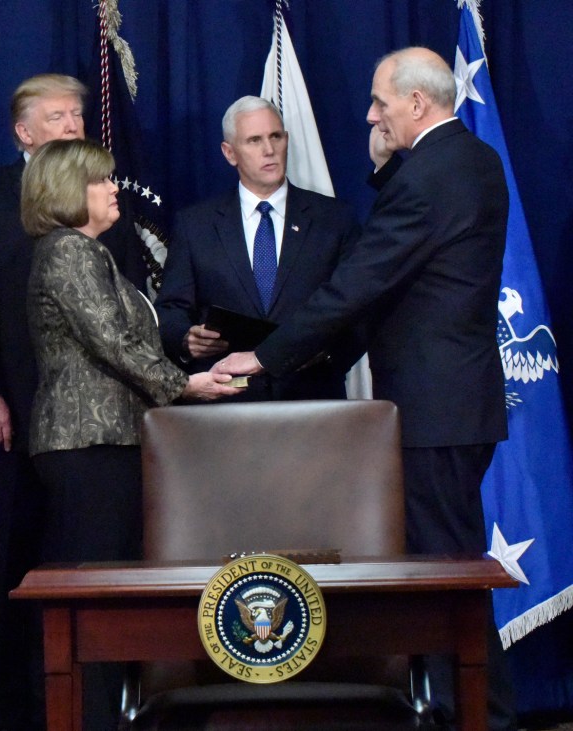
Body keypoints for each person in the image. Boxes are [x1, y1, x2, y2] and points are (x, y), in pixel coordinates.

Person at [215, 47, 515, 730]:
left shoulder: (433, 174)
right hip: (455, 403)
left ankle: (478, 715)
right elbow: (405, 271)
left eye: (382, 101)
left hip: (437, 409)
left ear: (417, 102)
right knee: (447, 573)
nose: (371, 113)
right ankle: (459, 708)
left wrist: (264, 357)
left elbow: (362, 282)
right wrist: (387, 167)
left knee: (449, 580)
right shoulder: (466, 161)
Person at [0, 73, 148, 731]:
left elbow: (126, 305)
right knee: (1, 571)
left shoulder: (102, 200)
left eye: (78, 117)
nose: (70, 127)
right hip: (5, 418)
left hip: (87, 432)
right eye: (56, 117)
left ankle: (69, 709)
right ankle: (1, 715)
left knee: (76, 567)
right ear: (22, 131)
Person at [23, 138, 239, 731]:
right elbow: (114, 345)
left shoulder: (83, 251)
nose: (114, 188)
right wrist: (187, 386)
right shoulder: (71, 252)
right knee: (97, 605)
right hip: (87, 446)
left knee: (108, 596)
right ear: (71, 191)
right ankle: (88, 718)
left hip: (104, 445)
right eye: (101, 181)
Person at [155, 96, 362, 400]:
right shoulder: (195, 225)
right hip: (229, 407)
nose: (269, 150)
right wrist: (186, 339)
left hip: (312, 403)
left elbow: (358, 310)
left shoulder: (334, 220)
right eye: (254, 140)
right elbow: (171, 309)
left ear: (286, 140)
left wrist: (325, 357)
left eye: (275, 137)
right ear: (230, 153)